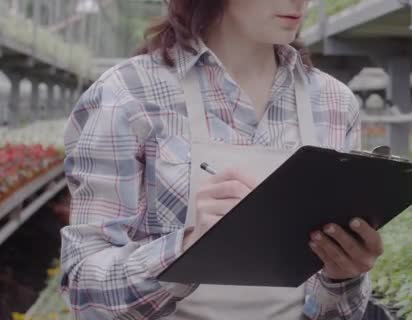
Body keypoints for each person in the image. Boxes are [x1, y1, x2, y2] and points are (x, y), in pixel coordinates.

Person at [60, 0, 385, 319]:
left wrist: (343, 276)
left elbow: (341, 312)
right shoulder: (127, 96)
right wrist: (187, 249)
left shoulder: (334, 103)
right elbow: (85, 294)